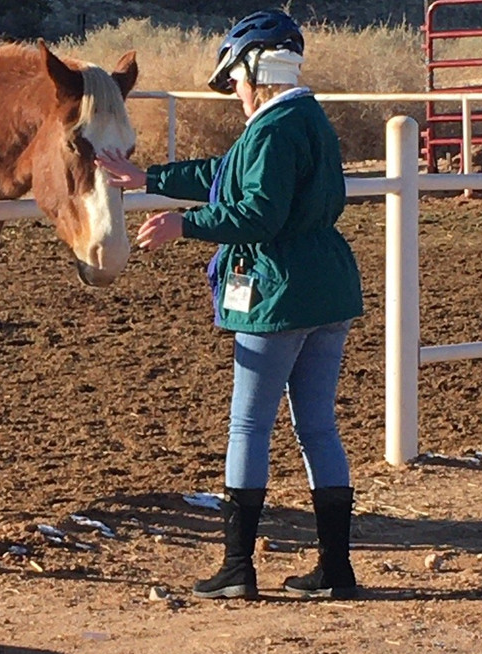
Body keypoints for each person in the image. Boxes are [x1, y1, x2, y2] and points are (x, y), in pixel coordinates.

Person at [96, 9, 363, 600]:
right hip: (328, 286)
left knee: (248, 424)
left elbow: (256, 214)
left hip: (277, 290)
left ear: (255, 71)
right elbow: (227, 175)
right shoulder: (306, 118)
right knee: (318, 425)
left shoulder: (271, 128)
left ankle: (238, 567)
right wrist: (151, 178)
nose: (236, 93)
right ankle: (335, 569)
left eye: (236, 81)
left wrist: (182, 226)